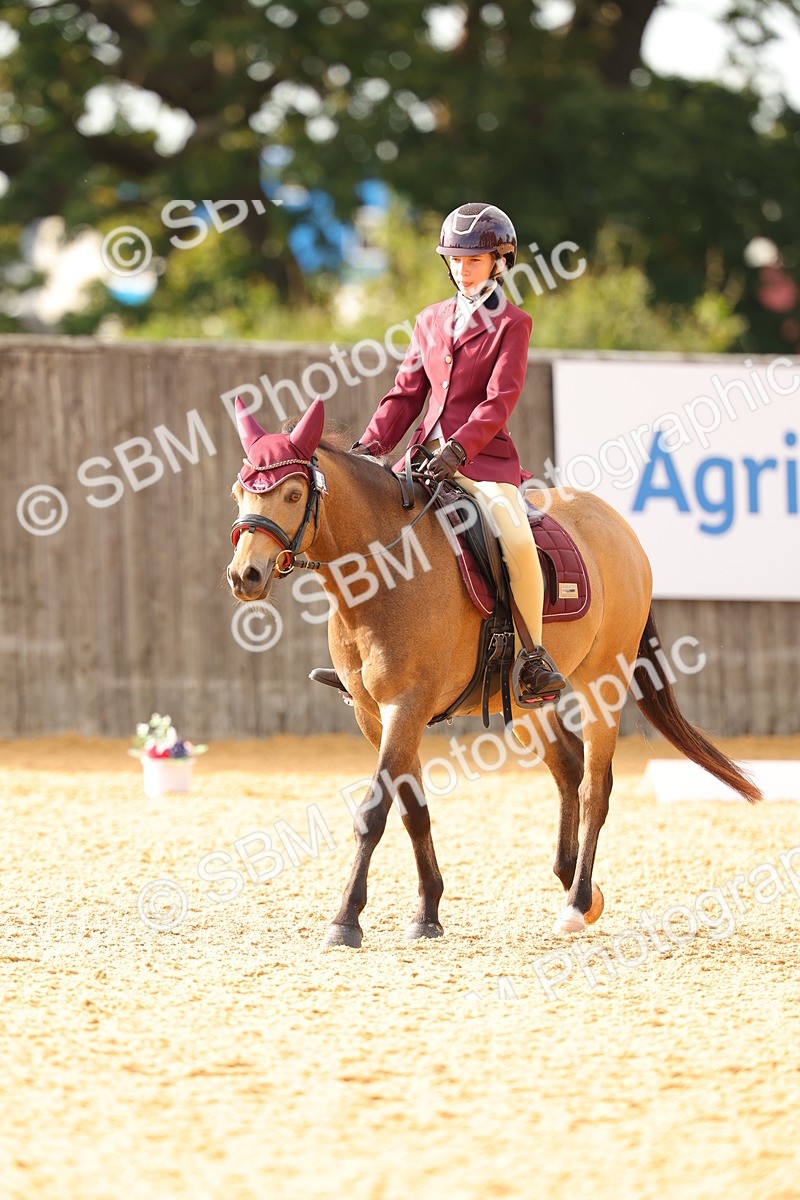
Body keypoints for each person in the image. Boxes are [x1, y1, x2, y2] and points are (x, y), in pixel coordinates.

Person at [321, 201, 566, 706]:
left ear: (500, 262)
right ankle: (359, 657)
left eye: (474, 260)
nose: (463, 269)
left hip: (481, 461)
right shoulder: (431, 320)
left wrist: (459, 448)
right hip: (419, 458)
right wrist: (369, 448)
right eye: (455, 260)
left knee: (517, 541)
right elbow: (405, 394)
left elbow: (499, 401)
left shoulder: (512, 323)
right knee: (360, 526)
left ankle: (534, 657)